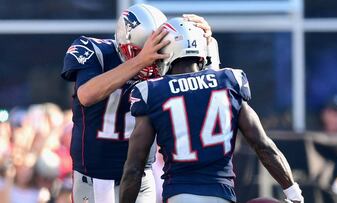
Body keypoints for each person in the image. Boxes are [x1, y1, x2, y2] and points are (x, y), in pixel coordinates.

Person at [119, 17, 304, 203]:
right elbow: (263, 146)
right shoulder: (229, 81)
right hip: (221, 195)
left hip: (179, 194)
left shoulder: (152, 91)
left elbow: (135, 167)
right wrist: (293, 193)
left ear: (167, 52)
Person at [61, 3, 216, 203]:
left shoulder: (162, 61)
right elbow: (86, 95)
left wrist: (206, 46)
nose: (151, 64)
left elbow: (201, 93)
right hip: (93, 176)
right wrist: (140, 61)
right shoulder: (95, 50)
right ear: (123, 42)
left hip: (140, 174)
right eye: (140, 52)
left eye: (155, 54)